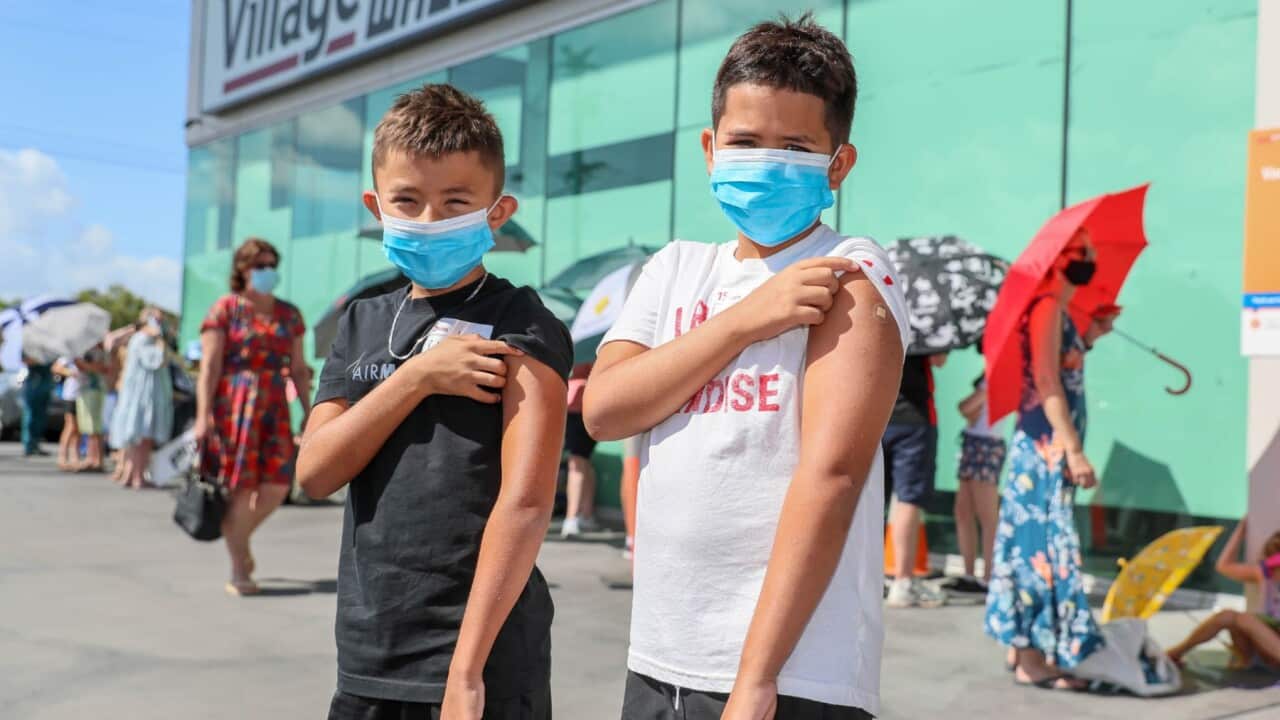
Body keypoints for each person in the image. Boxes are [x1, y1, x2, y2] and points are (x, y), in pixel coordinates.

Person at [585, 15, 910, 719]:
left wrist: (756, 677)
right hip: (660, 658)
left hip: (790, 676)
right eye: (744, 141)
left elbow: (831, 476)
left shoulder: (849, 273)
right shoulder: (674, 269)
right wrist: (742, 321)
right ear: (710, 148)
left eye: (795, 146)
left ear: (838, 164)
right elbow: (605, 410)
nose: (766, 161)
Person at [296, 84, 572, 720]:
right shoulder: (360, 322)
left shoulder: (522, 323)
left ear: (497, 212)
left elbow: (527, 504)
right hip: (370, 655)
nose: (429, 220)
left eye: (455, 202)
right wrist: (416, 377)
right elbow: (315, 471)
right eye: (407, 201)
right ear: (376, 206)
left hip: (482, 663)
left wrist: (467, 671)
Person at [984, 227, 1112, 690]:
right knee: (1039, 548)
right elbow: (1044, 379)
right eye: (1083, 251)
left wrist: (1089, 336)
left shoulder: (1058, 310)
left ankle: (1023, 645)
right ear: (1059, 259)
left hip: (1044, 447)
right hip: (1045, 449)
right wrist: (1074, 450)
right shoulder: (1047, 307)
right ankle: (1031, 658)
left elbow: (1058, 366)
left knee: (1034, 545)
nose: (1090, 258)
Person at [194, 237, 309, 595]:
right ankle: (238, 569)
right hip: (234, 406)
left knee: (277, 486)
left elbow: (299, 368)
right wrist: (202, 416)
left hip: (275, 405)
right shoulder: (225, 310)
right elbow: (209, 368)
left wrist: (310, 411)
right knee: (242, 488)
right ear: (242, 269)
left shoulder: (289, 314)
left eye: (272, 265)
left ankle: (238, 541)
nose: (267, 271)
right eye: (260, 265)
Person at [1165, 517, 1280, 667]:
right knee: (1228, 615)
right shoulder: (1264, 574)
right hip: (1266, 645)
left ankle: (1246, 663)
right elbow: (1223, 566)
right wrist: (1240, 532)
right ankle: (1174, 654)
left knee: (1244, 619)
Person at [882, 352, 948, 608]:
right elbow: (939, 359)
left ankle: (867, 577)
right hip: (914, 418)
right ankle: (902, 581)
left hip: (877, 412)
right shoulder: (928, 326)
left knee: (869, 499)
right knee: (909, 500)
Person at [942, 371, 1007, 596]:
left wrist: (970, 406)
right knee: (963, 512)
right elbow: (969, 410)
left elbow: (966, 407)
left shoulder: (997, 375)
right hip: (974, 442)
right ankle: (969, 575)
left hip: (987, 444)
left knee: (987, 516)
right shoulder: (988, 376)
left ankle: (989, 578)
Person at [109, 308, 174, 489]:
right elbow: (157, 361)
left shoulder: (140, 339)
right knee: (142, 436)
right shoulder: (144, 339)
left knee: (139, 437)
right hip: (145, 394)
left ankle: (130, 473)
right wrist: (160, 340)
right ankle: (136, 476)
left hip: (144, 393)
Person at [561, 362, 597, 538]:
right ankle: (586, 515)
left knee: (576, 462)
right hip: (575, 408)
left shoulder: (590, 354)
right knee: (583, 462)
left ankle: (571, 518)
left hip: (583, 409)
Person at [72, 344, 110, 472]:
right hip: (84, 390)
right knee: (88, 427)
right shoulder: (83, 350)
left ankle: (95, 460)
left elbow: (102, 368)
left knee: (94, 426)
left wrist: (82, 364)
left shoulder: (99, 351)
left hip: (94, 391)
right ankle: (92, 459)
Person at [19, 355, 54, 457]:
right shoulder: (30, 347)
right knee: (30, 416)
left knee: (41, 418)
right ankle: (28, 445)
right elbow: (25, 360)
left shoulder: (50, 349)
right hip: (34, 385)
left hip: (45, 386)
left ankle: (36, 444)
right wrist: (40, 360)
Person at [52, 356, 82, 470]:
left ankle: (75, 458)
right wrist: (70, 372)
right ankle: (62, 457)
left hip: (82, 395)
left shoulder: (85, 354)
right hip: (71, 395)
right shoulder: (70, 355)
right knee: (70, 426)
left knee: (78, 429)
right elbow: (55, 368)